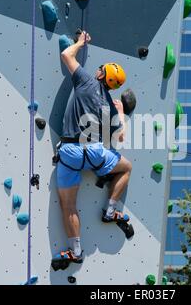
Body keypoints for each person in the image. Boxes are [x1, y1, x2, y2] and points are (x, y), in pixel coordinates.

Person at [53, 31, 133, 266]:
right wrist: (120, 113)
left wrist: (80, 42)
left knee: (68, 205)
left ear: (101, 74)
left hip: (70, 152)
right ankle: (110, 210)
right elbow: (120, 137)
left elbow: (66, 54)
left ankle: (76, 251)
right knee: (126, 167)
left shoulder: (86, 80)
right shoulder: (108, 105)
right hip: (95, 153)